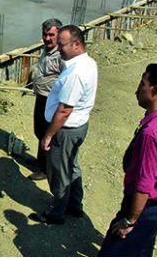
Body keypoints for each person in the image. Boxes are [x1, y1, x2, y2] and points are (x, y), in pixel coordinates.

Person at [99, 64, 157, 257]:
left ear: (155, 90)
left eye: (142, 84)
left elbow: (144, 183)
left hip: (143, 209)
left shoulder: (152, 133)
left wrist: (130, 221)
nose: (137, 90)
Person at [29, 25, 98, 225]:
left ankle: (56, 212)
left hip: (66, 130)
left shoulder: (76, 74)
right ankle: (75, 204)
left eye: (62, 44)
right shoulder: (87, 62)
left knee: (59, 172)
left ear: (76, 44)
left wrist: (48, 135)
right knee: (72, 166)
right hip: (79, 126)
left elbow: (64, 111)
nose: (58, 48)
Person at [29, 18, 64, 181]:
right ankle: (40, 160)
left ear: (59, 35)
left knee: (46, 133)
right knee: (38, 130)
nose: (47, 38)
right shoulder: (47, 49)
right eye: (45, 34)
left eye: (51, 35)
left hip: (51, 100)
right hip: (41, 97)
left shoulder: (62, 55)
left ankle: (45, 169)